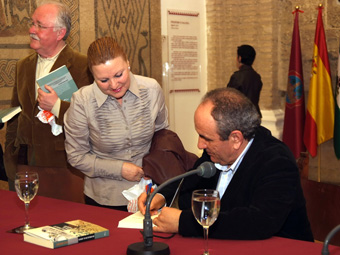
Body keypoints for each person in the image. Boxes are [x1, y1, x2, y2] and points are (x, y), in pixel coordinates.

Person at [138, 87, 314, 242]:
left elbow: (259, 222)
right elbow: (193, 177)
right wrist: (162, 195)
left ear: (236, 139)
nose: (200, 145)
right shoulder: (216, 152)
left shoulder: (276, 161)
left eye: (206, 138)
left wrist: (184, 222)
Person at [64, 37, 169, 210]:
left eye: (119, 75)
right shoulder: (82, 101)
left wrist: (155, 168)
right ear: (92, 74)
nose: (114, 85)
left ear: (128, 63)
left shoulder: (151, 89)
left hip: (150, 193)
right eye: (103, 80)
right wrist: (119, 169)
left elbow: (163, 136)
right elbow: (76, 156)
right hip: (104, 198)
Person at [4, 1, 93, 201]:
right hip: (24, 162)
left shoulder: (83, 66)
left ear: (60, 33)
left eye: (39, 25)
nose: (31, 30)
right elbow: (15, 113)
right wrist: (10, 153)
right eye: (32, 23)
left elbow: (91, 118)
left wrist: (58, 106)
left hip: (63, 167)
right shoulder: (22, 65)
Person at [227, 44, 262, 117]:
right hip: (254, 115)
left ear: (239, 58)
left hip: (241, 117)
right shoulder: (257, 76)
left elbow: (229, 99)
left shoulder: (237, 76)